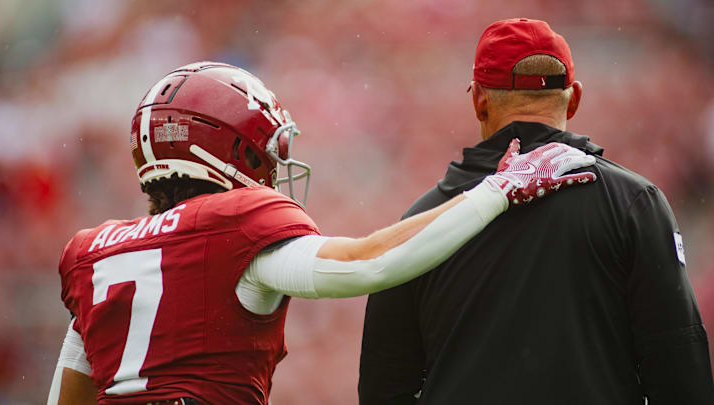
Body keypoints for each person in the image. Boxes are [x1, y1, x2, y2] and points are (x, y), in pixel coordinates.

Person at [46, 61, 596, 405]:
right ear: (232, 150)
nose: (273, 166)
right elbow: (367, 263)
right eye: (266, 150)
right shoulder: (237, 226)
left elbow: (69, 395)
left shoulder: (92, 252)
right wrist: (498, 190)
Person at [358, 18, 714, 405]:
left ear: (479, 100)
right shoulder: (635, 204)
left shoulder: (420, 221)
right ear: (574, 98)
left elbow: (383, 389)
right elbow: (680, 373)